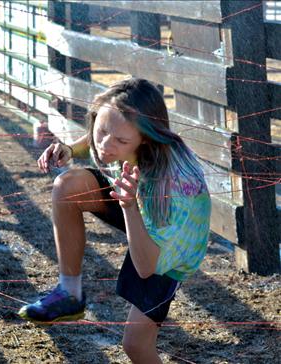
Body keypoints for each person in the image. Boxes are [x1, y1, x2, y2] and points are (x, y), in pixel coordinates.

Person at [18, 78, 211, 363]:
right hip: (133, 198)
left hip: (167, 244)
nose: (105, 145)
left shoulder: (175, 187)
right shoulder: (119, 131)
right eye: (102, 130)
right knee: (67, 186)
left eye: (121, 141)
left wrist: (130, 207)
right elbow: (107, 132)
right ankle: (69, 294)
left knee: (135, 345)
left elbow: (146, 267)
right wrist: (71, 149)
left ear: (145, 137)